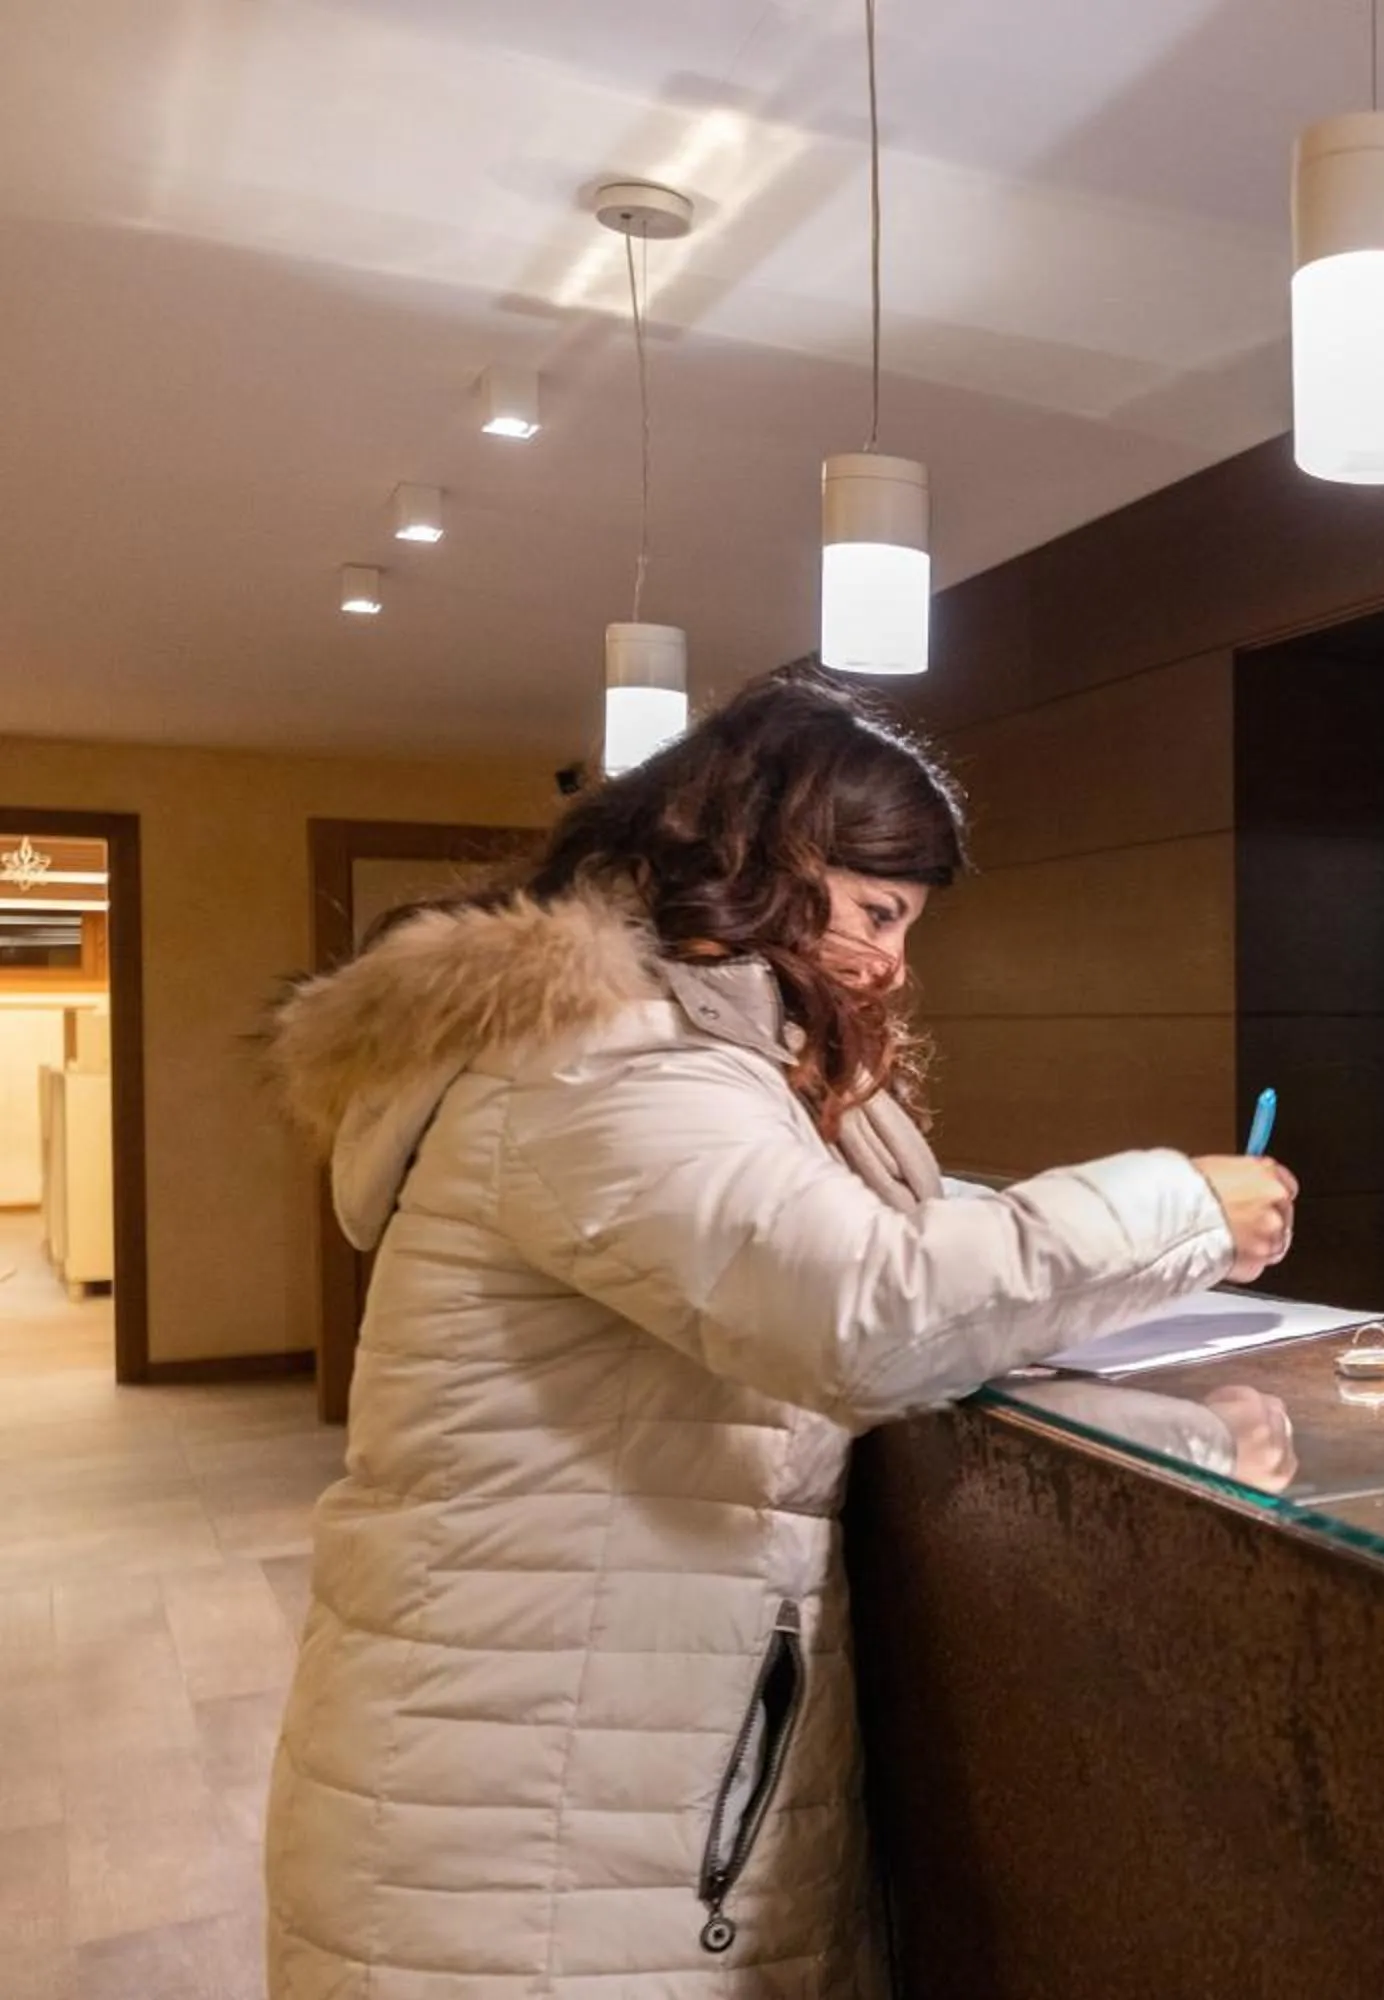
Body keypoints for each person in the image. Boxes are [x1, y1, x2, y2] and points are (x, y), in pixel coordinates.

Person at [261, 670, 1301, 1996]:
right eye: (876, 910)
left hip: (545, 1771)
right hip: (535, 1823)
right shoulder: (606, 1059)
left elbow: (826, 1239)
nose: (891, 961)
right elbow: (865, 1310)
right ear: (759, 858)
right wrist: (1177, 1200)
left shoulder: (625, 1049)